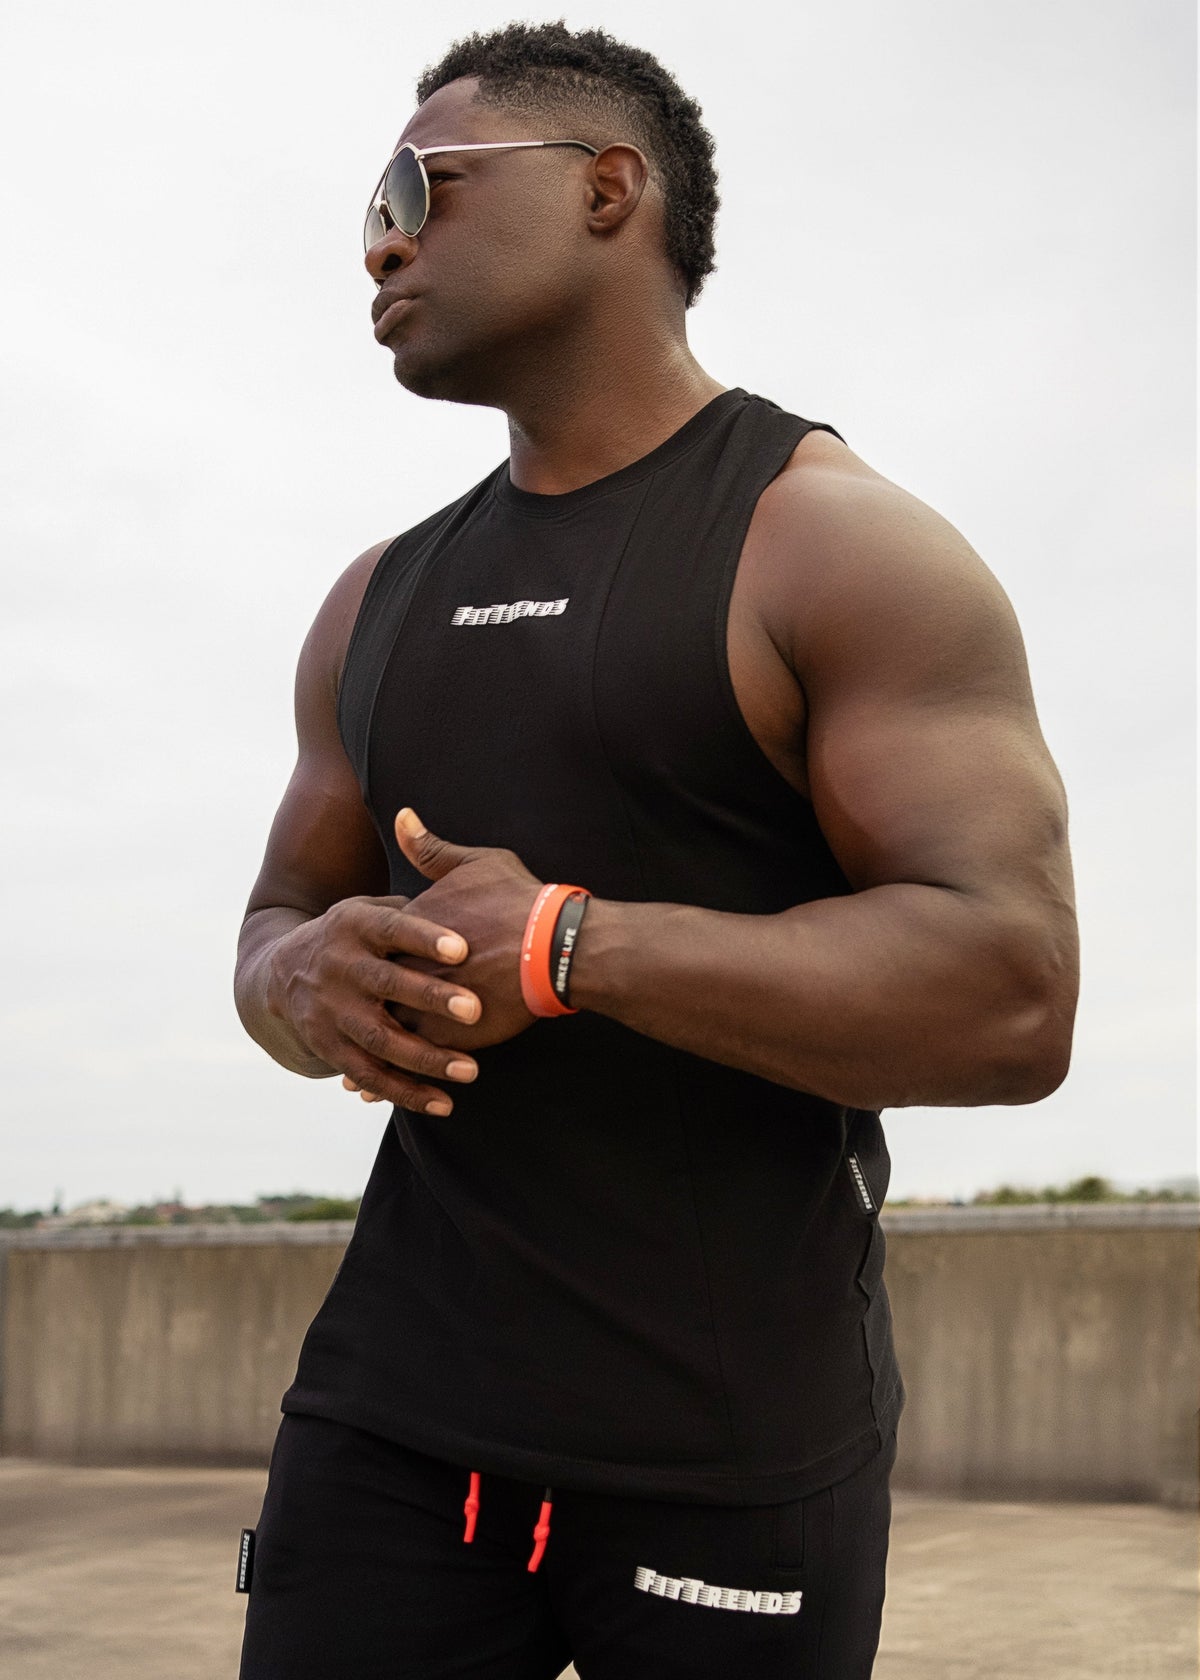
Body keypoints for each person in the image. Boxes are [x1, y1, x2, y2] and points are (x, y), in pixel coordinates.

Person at [233, 21, 1079, 1680]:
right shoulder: (374, 599)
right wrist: (307, 976)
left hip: (729, 1447)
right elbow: (272, 923)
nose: (381, 240)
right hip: (392, 1419)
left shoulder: (831, 546)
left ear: (610, 190)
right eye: (366, 211)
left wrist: (569, 946)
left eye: (421, 186)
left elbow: (1012, 994)